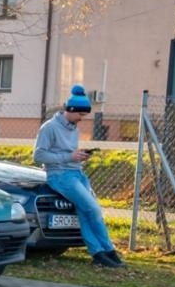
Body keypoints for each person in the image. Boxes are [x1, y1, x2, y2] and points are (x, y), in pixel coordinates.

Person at [34, 85, 124, 268]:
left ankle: (101, 254)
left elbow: (67, 152)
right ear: (70, 110)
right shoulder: (49, 128)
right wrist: (69, 156)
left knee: (85, 211)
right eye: (80, 115)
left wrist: (79, 155)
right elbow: (38, 156)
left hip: (77, 173)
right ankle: (106, 250)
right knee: (93, 210)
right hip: (59, 176)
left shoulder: (74, 129)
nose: (82, 119)